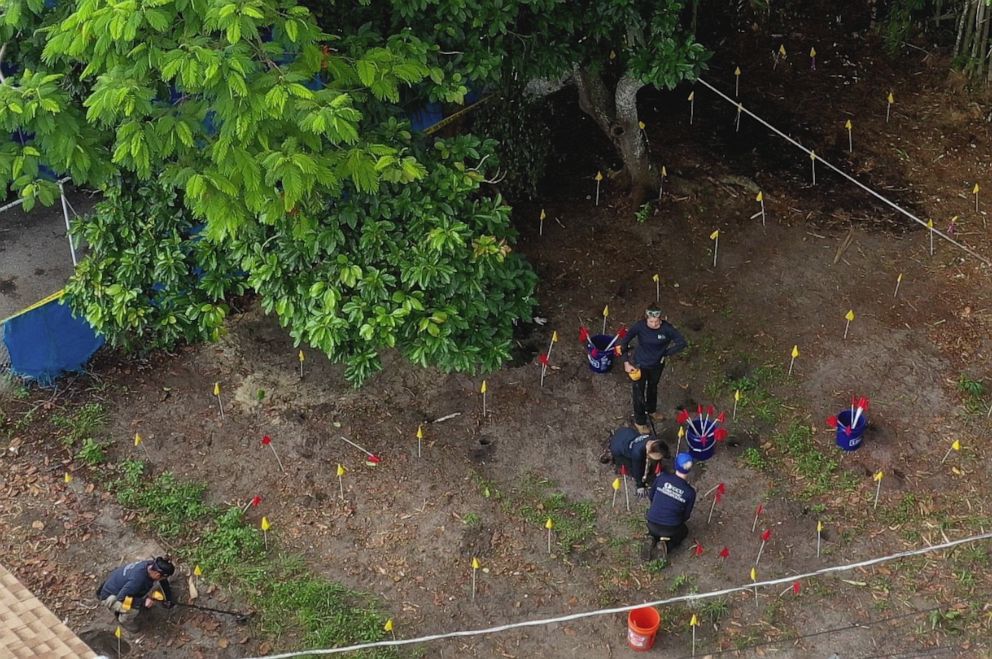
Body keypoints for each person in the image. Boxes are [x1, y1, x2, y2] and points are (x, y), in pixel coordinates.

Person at [619, 305, 687, 434]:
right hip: (639, 365)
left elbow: (682, 342)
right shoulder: (639, 326)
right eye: (651, 321)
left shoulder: (667, 329)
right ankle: (640, 421)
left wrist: (665, 353)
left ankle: (651, 410)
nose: (654, 324)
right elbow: (624, 342)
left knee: (653, 387)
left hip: (657, 365)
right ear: (646, 319)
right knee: (638, 392)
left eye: (657, 321)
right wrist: (626, 362)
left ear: (661, 319)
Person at [643, 452, 696, 561]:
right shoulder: (690, 492)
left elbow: (651, 495)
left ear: (675, 465)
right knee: (684, 531)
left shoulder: (662, 477)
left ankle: (651, 537)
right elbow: (686, 515)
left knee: (656, 529)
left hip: (652, 521)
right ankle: (667, 545)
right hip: (671, 528)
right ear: (689, 469)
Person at [97, 556, 175, 628]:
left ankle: (134, 601)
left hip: (120, 585)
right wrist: (143, 602)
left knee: (145, 589)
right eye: (164, 577)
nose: (164, 579)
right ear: (157, 575)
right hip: (112, 597)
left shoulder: (151, 565)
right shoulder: (138, 581)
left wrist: (168, 598)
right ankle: (123, 620)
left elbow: (163, 580)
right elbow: (121, 597)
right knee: (133, 610)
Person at [606, 425, 669, 495]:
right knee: (632, 467)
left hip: (625, 432)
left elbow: (662, 449)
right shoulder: (637, 453)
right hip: (618, 447)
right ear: (649, 452)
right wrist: (640, 485)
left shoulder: (654, 440)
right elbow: (637, 469)